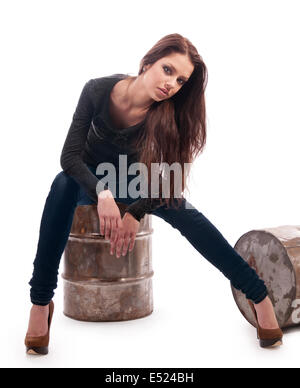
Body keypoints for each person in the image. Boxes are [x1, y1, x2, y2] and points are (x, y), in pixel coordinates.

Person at [25, 33, 283, 354]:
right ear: (147, 62)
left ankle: (258, 295)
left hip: (137, 184)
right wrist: (102, 193)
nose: (171, 84)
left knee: (185, 212)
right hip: (89, 180)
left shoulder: (169, 112)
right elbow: (70, 157)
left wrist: (135, 211)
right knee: (61, 184)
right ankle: (40, 302)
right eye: (167, 69)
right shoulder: (98, 89)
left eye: (180, 80)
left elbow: (168, 179)